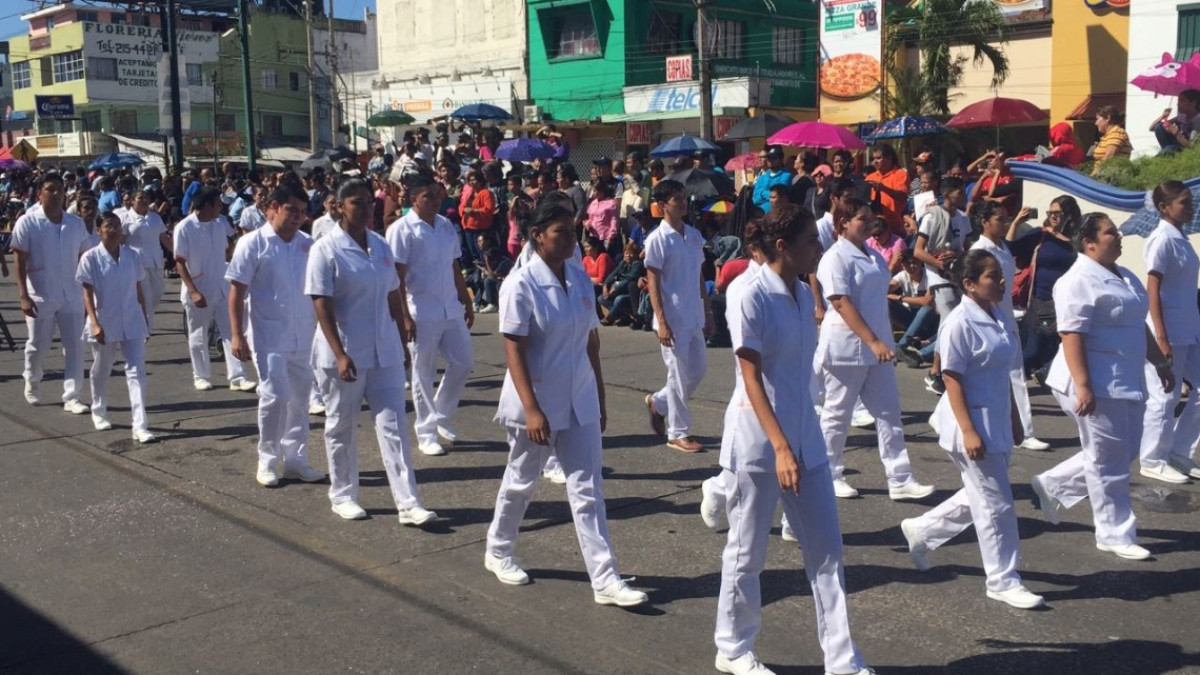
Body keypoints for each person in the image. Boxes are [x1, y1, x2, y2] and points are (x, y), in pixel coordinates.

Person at [714, 206, 873, 675]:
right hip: (761, 445)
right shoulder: (751, 294)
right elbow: (751, 377)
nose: (818, 249)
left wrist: (800, 440)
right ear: (782, 246)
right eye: (810, 241)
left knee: (827, 552)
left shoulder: (804, 294)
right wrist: (781, 446)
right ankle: (733, 647)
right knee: (747, 552)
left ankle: (843, 661)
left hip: (806, 439)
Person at [484, 200, 648, 608]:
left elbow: (591, 340)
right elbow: (514, 349)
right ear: (538, 235)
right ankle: (499, 549)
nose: (572, 241)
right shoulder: (519, 284)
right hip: (536, 399)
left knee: (588, 488)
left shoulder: (577, 274)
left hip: (579, 397)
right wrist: (533, 408)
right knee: (522, 480)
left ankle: (605, 579)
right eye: (562, 233)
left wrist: (600, 394)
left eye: (574, 233)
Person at [900, 249, 1044, 609]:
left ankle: (924, 530)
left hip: (995, 418)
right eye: (991, 276)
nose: (1000, 281)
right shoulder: (958, 322)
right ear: (968, 284)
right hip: (970, 423)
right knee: (996, 504)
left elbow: (1005, 371)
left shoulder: (998, 314)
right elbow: (951, 378)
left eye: (999, 275)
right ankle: (1002, 579)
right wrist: (969, 431)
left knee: (982, 494)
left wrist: (1014, 417)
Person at [1030, 213, 1174, 561]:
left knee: (1125, 451)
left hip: (1126, 379)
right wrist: (1084, 386)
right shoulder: (1077, 280)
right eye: (1111, 232)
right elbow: (1071, 335)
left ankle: (1053, 485)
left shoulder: (1125, 276)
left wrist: (1160, 362)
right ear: (1089, 242)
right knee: (1109, 462)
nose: (1119, 236)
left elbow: (1137, 326)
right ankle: (1114, 532)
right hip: (1093, 381)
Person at [306, 178, 435, 525]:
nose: (365, 209)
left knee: (393, 425)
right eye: (356, 203)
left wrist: (401, 338)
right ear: (339, 207)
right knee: (341, 425)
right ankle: (343, 494)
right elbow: (322, 304)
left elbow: (393, 292)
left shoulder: (379, 245)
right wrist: (340, 353)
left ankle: (408, 503)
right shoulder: (325, 248)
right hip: (343, 353)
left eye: (368, 203)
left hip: (385, 351)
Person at [816, 197, 935, 500]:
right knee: (838, 413)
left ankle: (900, 478)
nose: (870, 223)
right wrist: (873, 341)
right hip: (847, 345)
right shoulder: (835, 257)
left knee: (889, 411)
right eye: (862, 218)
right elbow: (840, 302)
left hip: (878, 346)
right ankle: (829, 474)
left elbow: (881, 290)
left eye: (871, 218)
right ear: (843, 223)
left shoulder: (871, 254)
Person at [227, 183, 325, 488]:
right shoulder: (252, 243)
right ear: (272, 209)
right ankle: (267, 460)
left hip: (304, 335)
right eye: (291, 210)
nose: (297, 217)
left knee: (299, 399)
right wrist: (236, 335)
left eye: (302, 212)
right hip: (268, 334)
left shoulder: (308, 245)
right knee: (274, 396)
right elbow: (236, 291)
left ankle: (295, 459)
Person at [388, 177, 475, 457]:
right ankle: (426, 432)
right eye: (428, 196)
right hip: (420, 309)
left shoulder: (446, 225)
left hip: (450, 307)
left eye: (438, 195)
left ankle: (441, 415)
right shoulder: (402, 230)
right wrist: (403, 315)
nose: (436, 200)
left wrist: (466, 300)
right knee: (422, 372)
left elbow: (454, 264)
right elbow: (396, 276)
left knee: (463, 362)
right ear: (414, 199)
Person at [970, 202, 1051, 451]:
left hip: (1005, 316)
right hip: (989, 318)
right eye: (999, 219)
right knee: (981, 372)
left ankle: (1025, 431)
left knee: (1015, 373)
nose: (1004, 222)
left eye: (1006, 218)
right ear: (985, 221)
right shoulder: (979, 251)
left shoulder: (1003, 246)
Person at [11, 172, 91, 412]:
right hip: (41, 294)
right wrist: (24, 295)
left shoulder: (75, 225)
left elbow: (86, 258)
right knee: (38, 343)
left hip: (72, 295)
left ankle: (72, 395)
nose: (56, 194)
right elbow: (19, 260)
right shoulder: (28, 222)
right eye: (50, 189)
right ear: (40, 194)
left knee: (75, 346)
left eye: (60, 189)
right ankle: (32, 379)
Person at [644, 179, 714, 453]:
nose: (683, 203)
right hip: (671, 318)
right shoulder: (656, 239)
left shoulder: (694, 235)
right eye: (677, 199)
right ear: (663, 206)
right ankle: (678, 432)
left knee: (697, 371)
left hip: (693, 315)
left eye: (684, 198)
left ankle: (659, 403)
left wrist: (707, 310)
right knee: (677, 373)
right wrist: (661, 321)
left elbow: (699, 275)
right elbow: (653, 282)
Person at [1138, 181, 1200, 483]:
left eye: (1190, 202)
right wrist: (1160, 336)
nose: (1190, 206)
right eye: (1184, 203)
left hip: (1190, 329)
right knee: (1164, 396)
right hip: (1168, 331)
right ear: (1164, 207)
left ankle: (1178, 451)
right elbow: (1153, 289)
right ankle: (1152, 458)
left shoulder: (1181, 237)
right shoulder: (1161, 238)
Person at [77, 212, 155, 443]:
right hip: (104, 320)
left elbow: (139, 288)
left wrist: (144, 318)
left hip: (132, 320)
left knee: (136, 372)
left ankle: (140, 425)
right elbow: (87, 292)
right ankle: (99, 411)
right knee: (102, 369)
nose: (114, 230)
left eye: (117, 226)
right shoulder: (90, 257)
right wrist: (93, 322)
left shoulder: (132, 255)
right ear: (99, 230)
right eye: (109, 226)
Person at [174, 187, 256, 392]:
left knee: (231, 331)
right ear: (207, 205)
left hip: (222, 286)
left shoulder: (219, 223)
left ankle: (238, 376)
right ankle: (200, 375)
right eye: (218, 204)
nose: (221, 208)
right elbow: (179, 262)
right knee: (199, 334)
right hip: (198, 288)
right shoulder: (184, 227)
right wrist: (193, 290)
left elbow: (228, 249)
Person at [1007, 196, 1081, 382]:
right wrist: (1016, 222)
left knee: (1059, 348)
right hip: (1042, 301)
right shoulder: (1042, 235)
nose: (1053, 217)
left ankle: (1049, 376)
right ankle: (1008, 383)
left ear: (1069, 214)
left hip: (1069, 303)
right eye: (1051, 213)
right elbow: (1011, 248)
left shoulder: (1077, 240)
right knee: (1033, 349)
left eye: (1058, 213)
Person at [913, 177, 970, 395]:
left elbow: (966, 245)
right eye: (959, 191)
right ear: (948, 194)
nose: (963, 195)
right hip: (938, 275)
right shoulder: (932, 216)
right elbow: (919, 250)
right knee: (949, 321)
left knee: (952, 322)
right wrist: (938, 263)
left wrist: (958, 256)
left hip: (956, 272)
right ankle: (936, 371)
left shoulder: (964, 219)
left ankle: (944, 369)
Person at [121, 188, 170, 333]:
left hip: (155, 261)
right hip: (136, 263)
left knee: (158, 292)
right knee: (146, 297)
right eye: (140, 198)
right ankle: (145, 330)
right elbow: (121, 242)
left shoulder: (155, 217)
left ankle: (139, 317)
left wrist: (179, 253)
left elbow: (164, 239)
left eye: (146, 198)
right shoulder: (126, 218)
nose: (144, 201)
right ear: (132, 201)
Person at [865, 144, 909, 236]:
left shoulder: (900, 174)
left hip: (894, 228)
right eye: (873, 159)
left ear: (889, 158)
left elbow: (902, 196)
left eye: (878, 158)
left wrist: (884, 189)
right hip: (873, 228)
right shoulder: (870, 177)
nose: (875, 162)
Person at [599, 241, 646, 327]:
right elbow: (612, 275)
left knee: (619, 299)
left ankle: (610, 317)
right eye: (626, 253)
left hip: (630, 294)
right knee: (601, 298)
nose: (628, 255)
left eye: (631, 253)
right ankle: (623, 315)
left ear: (636, 255)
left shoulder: (637, 264)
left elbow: (629, 279)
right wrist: (605, 285)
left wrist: (615, 288)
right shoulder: (622, 263)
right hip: (619, 290)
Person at [1091, 106, 1132, 174]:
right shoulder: (1109, 135)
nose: (1096, 123)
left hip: (1112, 177)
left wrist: (1093, 176)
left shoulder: (1116, 133)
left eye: (1098, 119)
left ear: (1108, 118)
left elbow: (1109, 156)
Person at [752, 147, 791, 213]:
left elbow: (778, 196)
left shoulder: (786, 175)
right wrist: (770, 196)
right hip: (760, 215)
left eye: (774, 158)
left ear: (781, 160)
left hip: (777, 215)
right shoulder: (761, 178)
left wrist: (761, 192)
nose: (770, 160)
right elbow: (755, 199)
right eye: (769, 158)